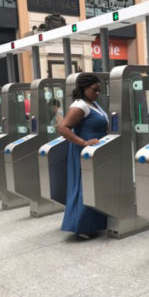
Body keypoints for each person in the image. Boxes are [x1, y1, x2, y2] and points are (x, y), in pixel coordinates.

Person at [57, 74, 109, 239]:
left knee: (92, 185)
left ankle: (94, 223)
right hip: (83, 152)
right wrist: (83, 143)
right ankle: (80, 225)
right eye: (94, 90)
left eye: (99, 90)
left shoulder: (92, 104)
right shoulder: (80, 106)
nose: (97, 93)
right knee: (83, 186)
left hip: (94, 151)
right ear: (84, 88)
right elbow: (63, 127)